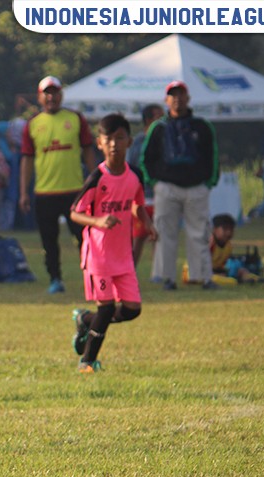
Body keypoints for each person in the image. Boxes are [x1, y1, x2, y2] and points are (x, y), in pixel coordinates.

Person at [68, 113, 155, 374]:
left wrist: (149, 225)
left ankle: (85, 320)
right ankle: (87, 361)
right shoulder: (97, 177)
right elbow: (74, 212)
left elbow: (137, 204)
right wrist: (97, 221)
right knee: (105, 309)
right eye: (109, 139)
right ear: (99, 143)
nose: (115, 144)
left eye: (120, 138)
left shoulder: (135, 176)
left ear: (129, 141)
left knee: (132, 310)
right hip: (98, 255)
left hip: (123, 256)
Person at [19, 75, 96, 294]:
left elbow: (88, 150)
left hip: (74, 191)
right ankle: (55, 279)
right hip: (45, 192)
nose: (51, 97)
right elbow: (26, 159)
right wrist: (23, 192)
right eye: (47, 93)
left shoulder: (75, 119)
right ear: (40, 97)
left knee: (84, 239)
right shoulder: (33, 125)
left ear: (61, 95)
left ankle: (91, 277)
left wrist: (95, 180)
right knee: (49, 241)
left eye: (55, 92)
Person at [140, 80, 219, 291]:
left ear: (188, 98)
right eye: (173, 96)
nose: (178, 100)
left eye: (181, 95)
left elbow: (212, 155)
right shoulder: (158, 128)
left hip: (196, 186)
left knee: (199, 232)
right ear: (167, 100)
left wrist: (209, 182)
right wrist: (154, 182)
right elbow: (146, 158)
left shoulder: (202, 126)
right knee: (165, 233)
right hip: (167, 186)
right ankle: (167, 278)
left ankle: (203, 277)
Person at [127, 104, 164, 255]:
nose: (163, 121)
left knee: (159, 236)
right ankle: (130, 271)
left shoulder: (167, 140)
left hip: (161, 196)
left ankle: (158, 274)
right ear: (148, 120)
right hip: (142, 198)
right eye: (159, 117)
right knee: (138, 237)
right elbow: (130, 168)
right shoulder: (138, 142)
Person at [208, 214, 258, 284]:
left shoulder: (229, 246)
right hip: (202, 272)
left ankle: (249, 278)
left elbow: (223, 264)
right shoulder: (209, 243)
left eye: (231, 229)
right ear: (215, 229)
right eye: (225, 229)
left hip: (216, 270)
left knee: (240, 269)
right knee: (221, 279)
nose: (228, 233)